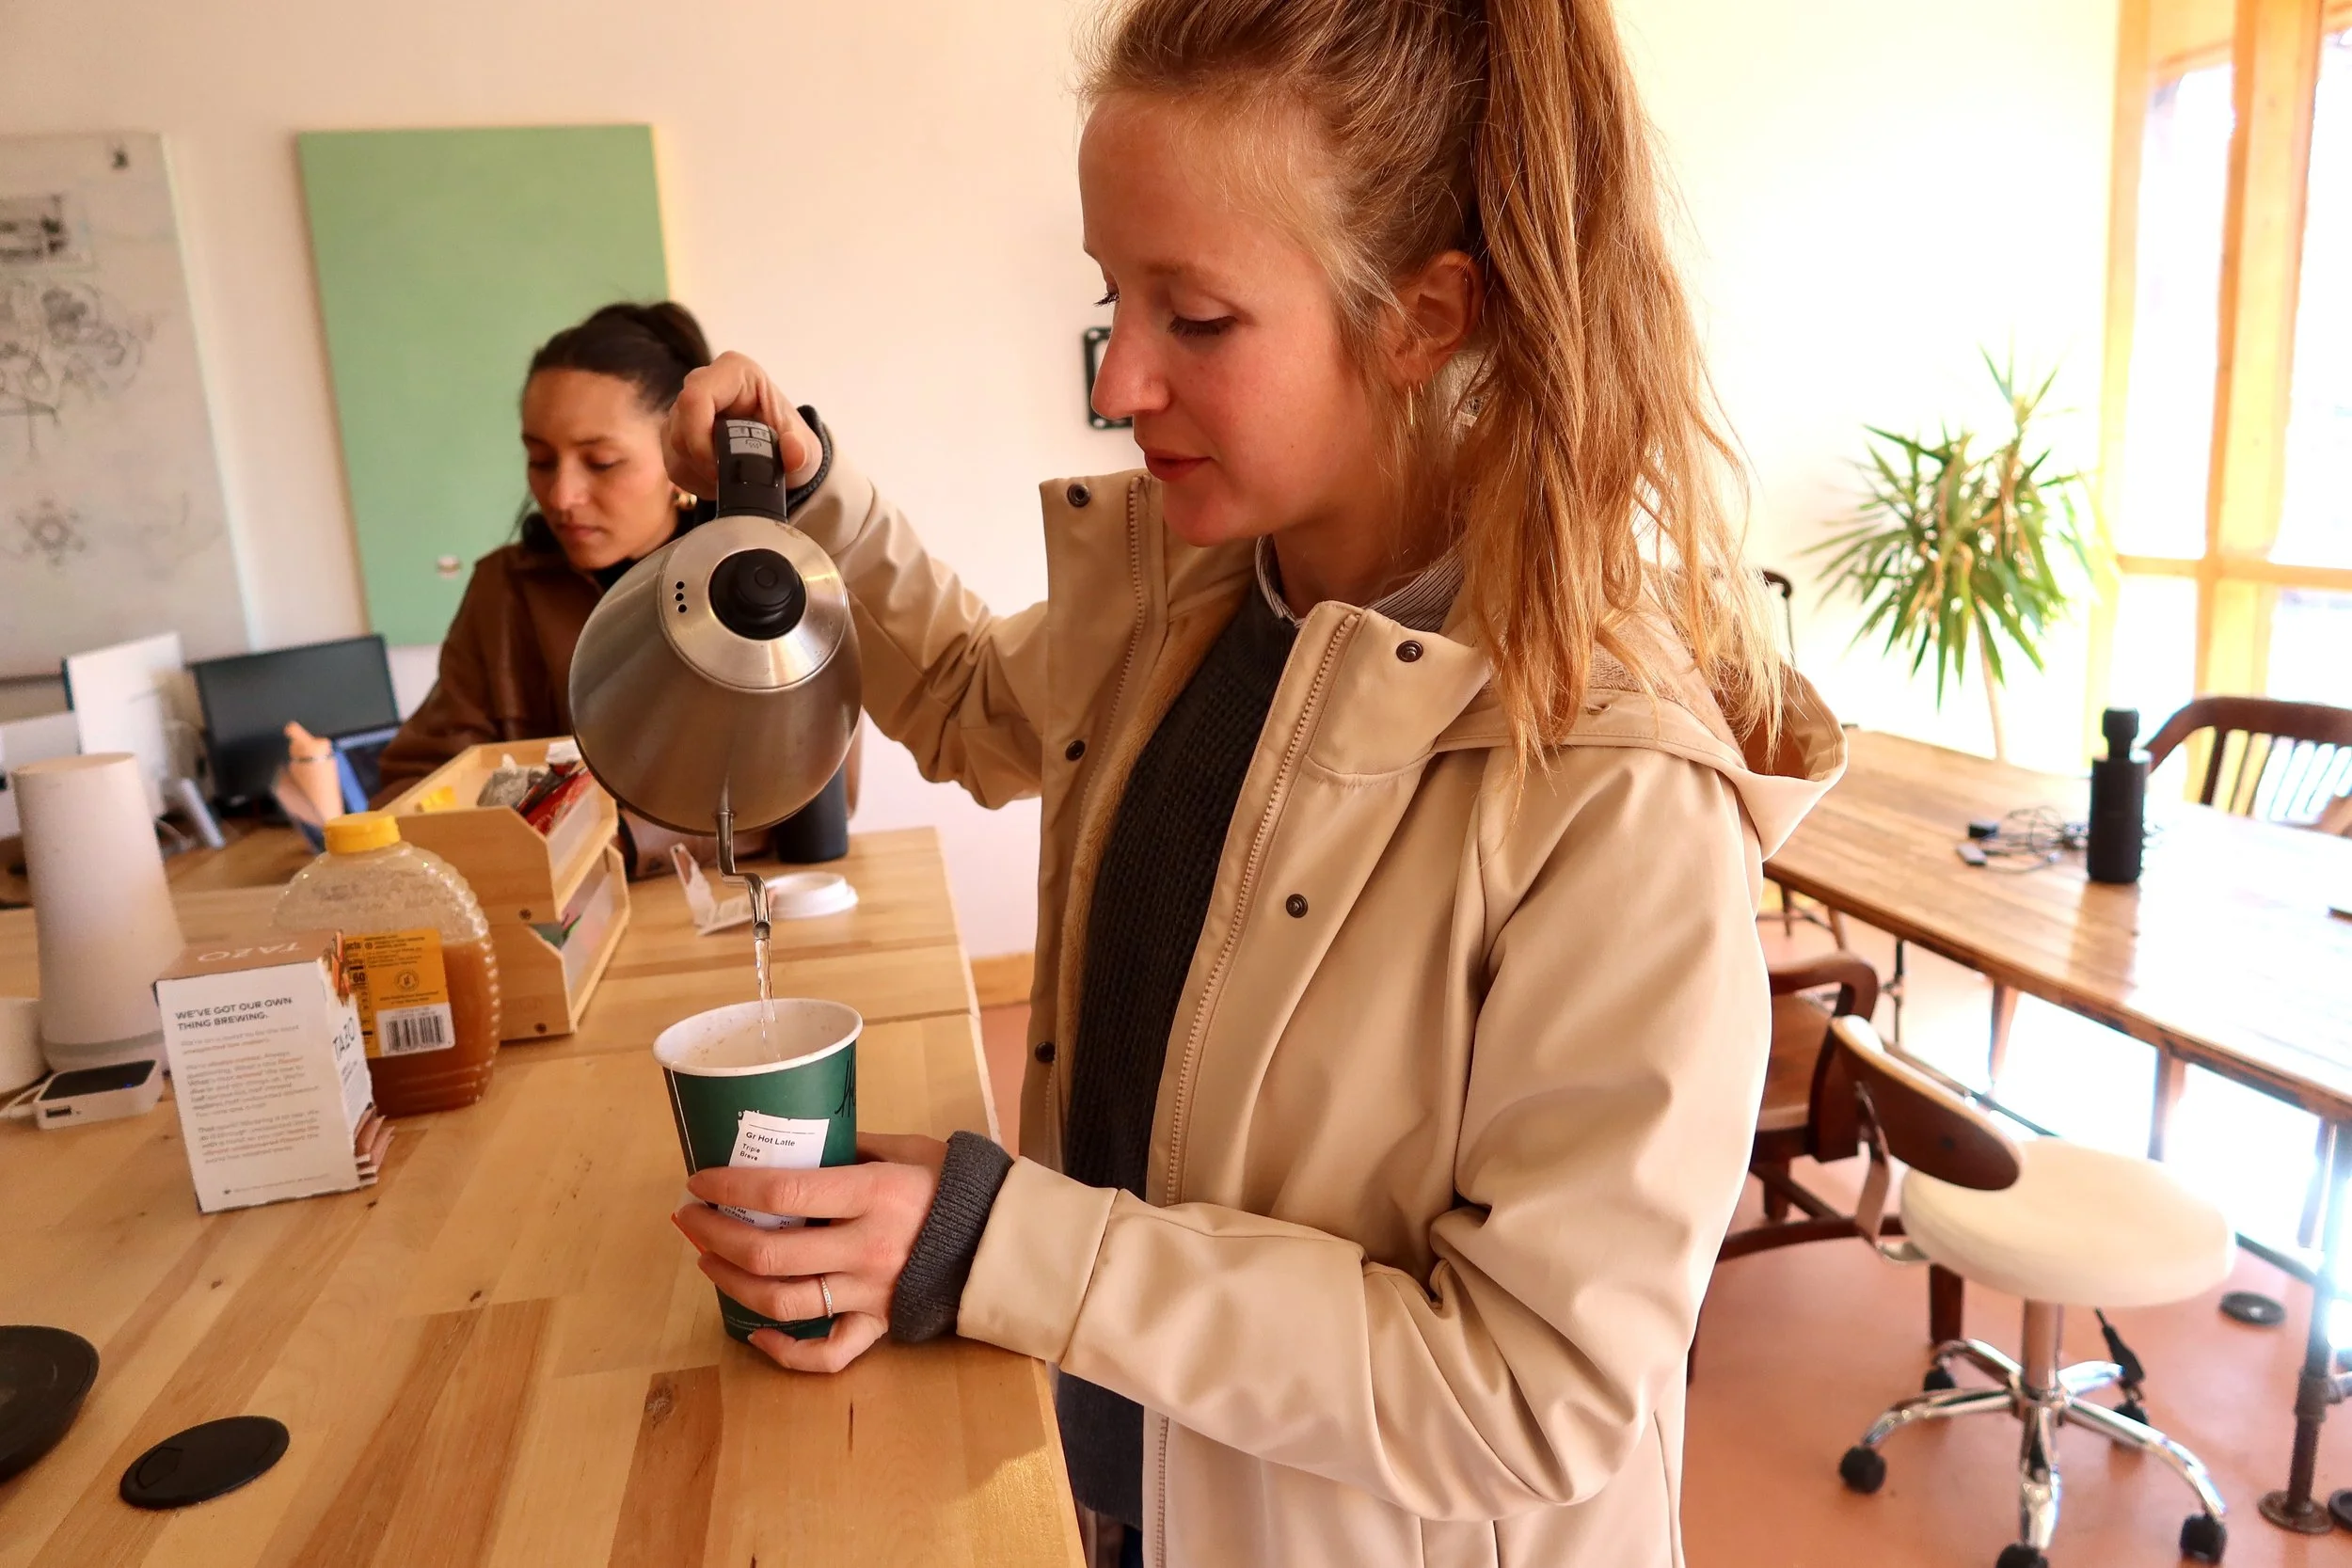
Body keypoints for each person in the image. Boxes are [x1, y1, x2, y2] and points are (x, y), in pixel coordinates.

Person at [661, 2, 1845, 1564]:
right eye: (1111, 299)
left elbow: (1529, 1391)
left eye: (1196, 318)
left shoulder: (1613, 794)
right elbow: (965, 698)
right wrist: (818, 494)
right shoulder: (1195, 601)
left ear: (1425, 318)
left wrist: (1000, 1239)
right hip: (1126, 1467)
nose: (1121, 379)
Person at [373, 301, 854, 866]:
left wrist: (622, 839)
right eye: (540, 460)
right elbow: (417, 782)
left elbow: (815, 792)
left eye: (601, 462)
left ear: (681, 456)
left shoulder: (770, 583)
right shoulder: (503, 591)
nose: (560, 496)